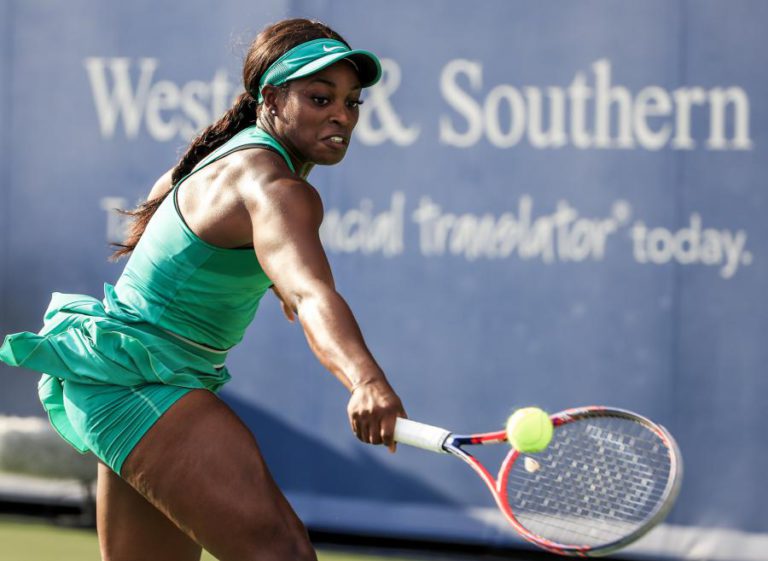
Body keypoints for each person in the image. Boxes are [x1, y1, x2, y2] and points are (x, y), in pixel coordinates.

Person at [0, 18, 406, 561]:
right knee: (282, 553)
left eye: (352, 102)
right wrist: (365, 379)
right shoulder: (277, 187)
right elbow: (311, 295)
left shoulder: (221, 156)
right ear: (271, 99)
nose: (341, 115)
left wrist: (266, 278)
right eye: (319, 97)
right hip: (146, 385)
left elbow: (165, 230)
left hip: (117, 375)